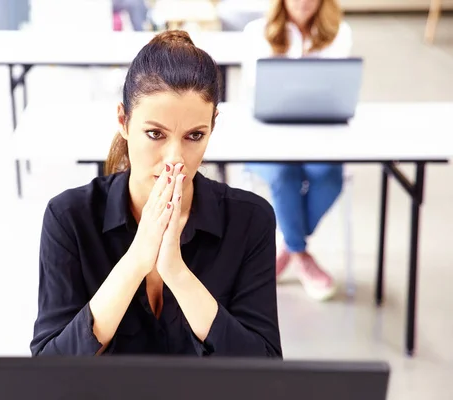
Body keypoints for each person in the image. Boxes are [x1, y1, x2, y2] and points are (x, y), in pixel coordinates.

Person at [30, 31, 282, 357]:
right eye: (154, 133)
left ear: (213, 126)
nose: (175, 157)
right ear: (123, 120)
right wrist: (136, 260)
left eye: (195, 135)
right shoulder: (69, 218)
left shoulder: (250, 221)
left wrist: (176, 273)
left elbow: (264, 372)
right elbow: (49, 370)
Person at [241, 0, 352, 301]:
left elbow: (336, 91)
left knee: (329, 175)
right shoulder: (257, 33)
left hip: (320, 135)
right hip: (268, 137)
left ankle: (288, 247)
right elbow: (258, 91)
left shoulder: (339, 32)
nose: (303, 2)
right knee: (282, 173)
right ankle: (302, 255)